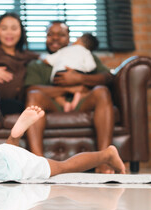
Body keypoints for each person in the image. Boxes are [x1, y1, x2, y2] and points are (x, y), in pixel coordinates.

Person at [24, 21, 116, 174]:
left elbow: (108, 78)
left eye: (61, 35)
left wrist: (80, 79)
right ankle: (38, 165)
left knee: (102, 91)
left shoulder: (83, 54)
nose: (55, 38)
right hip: (52, 105)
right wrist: (69, 87)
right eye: (50, 34)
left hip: (82, 101)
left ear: (69, 39)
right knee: (34, 95)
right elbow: (31, 89)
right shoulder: (37, 64)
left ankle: (104, 160)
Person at [43, 33, 99, 112]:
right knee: (80, 89)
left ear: (79, 40)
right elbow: (91, 66)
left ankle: (64, 104)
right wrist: (82, 69)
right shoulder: (86, 52)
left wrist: (40, 57)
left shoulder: (64, 50)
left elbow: (48, 60)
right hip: (76, 73)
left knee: (57, 92)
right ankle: (76, 99)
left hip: (59, 74)